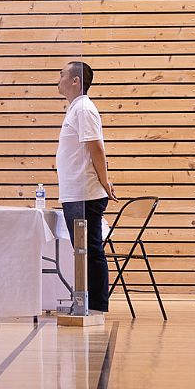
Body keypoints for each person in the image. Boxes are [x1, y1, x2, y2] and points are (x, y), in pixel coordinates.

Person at [57, 60, 116, 312]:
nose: (58, 80)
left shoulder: (83, 109)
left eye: (62, 75)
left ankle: (96, 306)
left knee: (90, 250)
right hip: (75, 193)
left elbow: (96, 147)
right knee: (83, 251)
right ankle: (86, 302)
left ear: (75, 80)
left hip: (85, 194)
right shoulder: (75, 109)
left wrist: (104, 180)